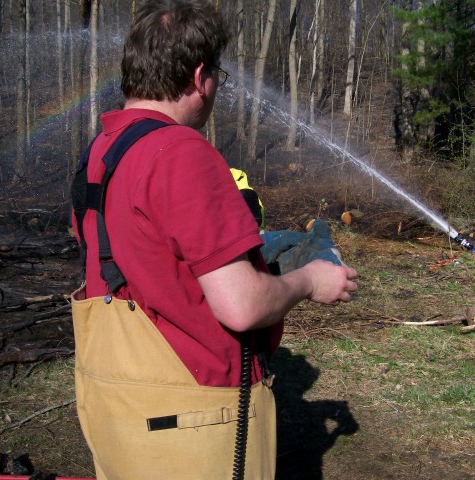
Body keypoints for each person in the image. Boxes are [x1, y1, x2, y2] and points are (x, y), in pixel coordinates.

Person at [69, 2, 358, 479]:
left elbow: (137, 256)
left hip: (114, 405)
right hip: (193, 416)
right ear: (200, 76)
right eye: (218, 74)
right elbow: (241, 306)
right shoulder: (183, 153)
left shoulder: (100, 152)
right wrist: (310, 280)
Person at [230, 167, 344, 275]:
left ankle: (329, 263)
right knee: (313, 232)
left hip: (251, 247)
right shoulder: (239, 189)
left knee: (289, 253)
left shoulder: (231, 186)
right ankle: (331, 263)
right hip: (251, 244)